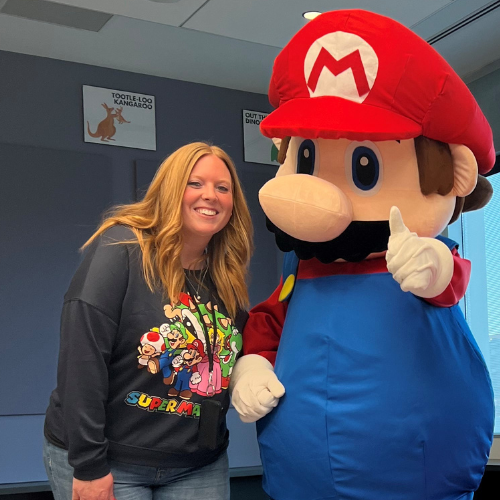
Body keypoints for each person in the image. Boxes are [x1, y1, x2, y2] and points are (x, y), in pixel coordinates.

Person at [43, 142, 253, 500]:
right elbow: (83, 359)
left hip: (199, 464)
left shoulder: (225, 273)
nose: (211, 196)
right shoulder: (122, 249)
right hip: (110, 461)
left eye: (223, 188)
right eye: (195, 183)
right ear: (172, 189)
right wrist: (90, 465)